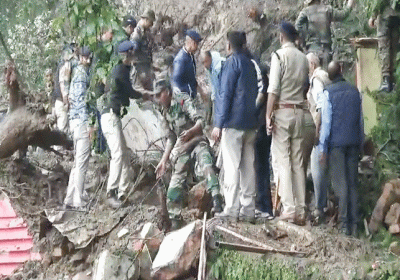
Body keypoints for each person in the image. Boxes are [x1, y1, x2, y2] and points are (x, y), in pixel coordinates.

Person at [152, 78, 223, 229]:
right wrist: (164, 161)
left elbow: (200, 122)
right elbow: (171, 137)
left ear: (167, 92)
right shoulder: (163, 110)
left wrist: (190, 132)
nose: (157, 99)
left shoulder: (182, 101)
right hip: (183, 148)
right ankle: (175, 220)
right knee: (174, 183)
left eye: (159, 95)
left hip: (197, 141)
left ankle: (217, 201)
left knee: (206, 164)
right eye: (155, 96)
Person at [212, 31, 259, 223]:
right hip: (250, 122)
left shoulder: (231, 64)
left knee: (232, 166)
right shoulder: (250, 64)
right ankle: (248, 209)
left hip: (234, 123)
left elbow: (225, 95)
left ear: (229, 46)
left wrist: (218, 124)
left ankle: (231, 208)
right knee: (248, 166)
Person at [266, 22, 309, 225]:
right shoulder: (304, 58)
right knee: (298, 162)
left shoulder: (278, 56)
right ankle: (301, 209)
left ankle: (289, 208)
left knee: (282, 159)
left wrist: (268, 114)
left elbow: (273, 89)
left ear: (281, 37)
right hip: (299, 110)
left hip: (282, 111)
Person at [101, 40, 147, 209]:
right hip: (110, 116)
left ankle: (123, 193)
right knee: (118, 154)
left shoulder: (123, 69)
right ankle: (111, 192)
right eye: (132, 52)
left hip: (114, 116)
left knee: (125, 155)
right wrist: (146, 95)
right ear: (128, 54)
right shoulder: (120, 70)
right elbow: (130, 93)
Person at [318, 61, 363, 236]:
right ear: (342, 71)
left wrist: (323, 149)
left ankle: (345, 224)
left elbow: (326, 124)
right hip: (353, 141)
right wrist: (361, 140)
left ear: (329, 77)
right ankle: (355, 224)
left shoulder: (328, 93)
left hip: (336, 144)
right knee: (353, 183)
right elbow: (360, 120)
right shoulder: (354, 91)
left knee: (341, 184)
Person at [63, 46, 93, 209]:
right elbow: (81, 101)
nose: (88, 61)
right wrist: (88, 123)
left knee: (77, 162)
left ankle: (69, 198)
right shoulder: (81, 74)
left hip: (74, 121)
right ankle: (78, 200)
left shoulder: (76, 73)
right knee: (82, 161)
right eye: (86, 57)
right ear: (81, 57)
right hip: (80, 121)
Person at [306, 53, 331, 224]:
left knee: (317, 170)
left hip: (321, 130)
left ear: (313, 65)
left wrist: (316, 132)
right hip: (331, 129)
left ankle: (319, 208)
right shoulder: (328, 77)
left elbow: (319, 108)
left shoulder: (316, 80)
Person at [295, 0, 355, 68]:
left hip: (312, 50)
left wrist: (303, 43)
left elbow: (297, 27)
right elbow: (343, 15)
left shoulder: (305, 12)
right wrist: (349, 5)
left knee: (313, 75)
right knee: (325, 75)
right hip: (326, 51)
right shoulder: (327, 9)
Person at [254, 66, 274, 220]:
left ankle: (262, 205)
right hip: (266, 132)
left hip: (259, 131)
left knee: (259, 169)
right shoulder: (268, 91)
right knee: (264, 169)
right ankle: (267, 206)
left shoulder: (260, 92)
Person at [369, 2, 400, 92]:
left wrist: (373, 15)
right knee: (393, 47)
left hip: (385, 15)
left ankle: (386, 80)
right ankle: (393, 81)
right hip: (397, 15)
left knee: (384, 48)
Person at [172, 30, 205, 100]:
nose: (197, 47)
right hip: (184, 98)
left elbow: (192, 78)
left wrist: (201, 92)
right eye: (197, 44)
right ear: (192, 43)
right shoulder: (180, 59)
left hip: (191, 95)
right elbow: (176, 82)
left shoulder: (190, 56)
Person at [54, 44, 79, 134]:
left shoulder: (61, 65)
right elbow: (63, 84)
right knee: (62, 128)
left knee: (64, 128)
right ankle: (59, 148)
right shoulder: (65, 66)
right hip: (62, 101)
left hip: (60, 101)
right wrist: (66, 100)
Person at [131, 9, 156, 90]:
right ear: (146, 19)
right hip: (140, 71)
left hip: (145, 68)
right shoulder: (137, 34)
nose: (151, 25)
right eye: (151, 22)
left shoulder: (145, 32)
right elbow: (133, 53)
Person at [200, 50, 226, 125]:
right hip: (218, 94)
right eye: (202, 63)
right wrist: (213, 97)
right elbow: (213, 83)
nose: (204, 65)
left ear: (210, 58)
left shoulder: (221, 66)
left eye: (205, 62)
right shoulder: (209, 67)